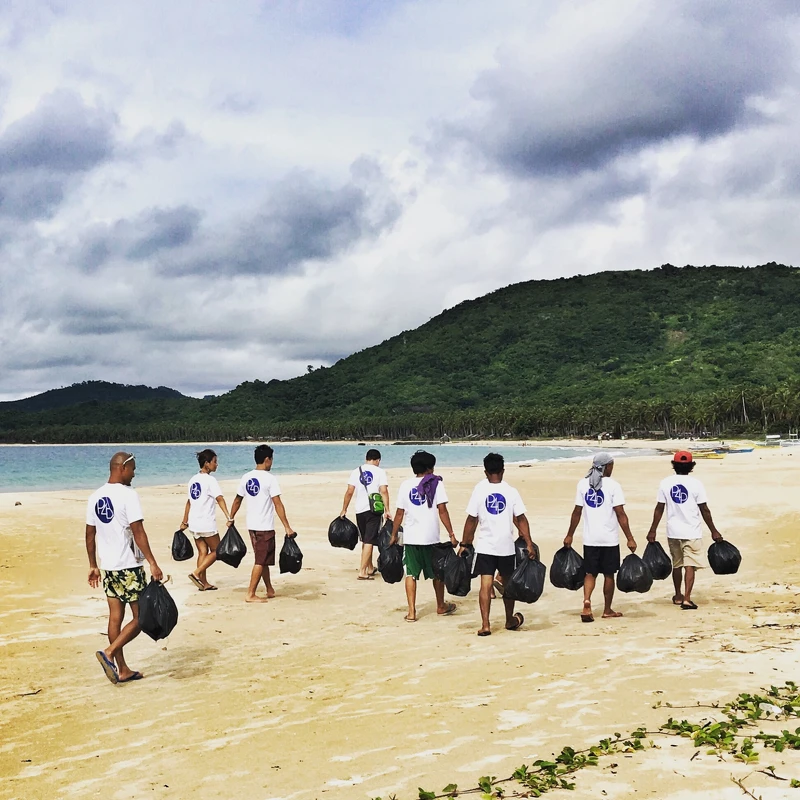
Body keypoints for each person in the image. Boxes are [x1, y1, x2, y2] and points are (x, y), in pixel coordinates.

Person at [86, 452, 163, 684]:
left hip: (108, 567)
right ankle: (109, 653)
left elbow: (90, 534)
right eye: (133, 469)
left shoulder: (95, 497)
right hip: (128, 566)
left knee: (115, 618)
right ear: (122, 468)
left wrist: (93, 564)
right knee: (141, 617)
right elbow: (138, 531)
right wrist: (152, 562)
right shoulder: (129, 495)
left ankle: (122, 669)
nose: (134, 474)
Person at [460, 453, 536, 636]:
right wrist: (529, 542)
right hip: (506, 547)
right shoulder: (511, 491)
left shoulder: (479, 491)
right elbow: (521, 519)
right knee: (508, 585)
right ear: (503, 470)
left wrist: (465, 543)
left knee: (485, 585)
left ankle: (485, 625)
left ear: (485, 472)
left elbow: (471, 520)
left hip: (486, 546)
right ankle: (509, 619)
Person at [563, 453, 636, 622]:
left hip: (590, 539)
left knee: (590, 573)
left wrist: (569, 535)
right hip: (609, 539)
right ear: (607, 466)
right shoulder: (613, 486)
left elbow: (577, 512)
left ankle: (586, 601)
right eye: (612, 466)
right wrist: (630, 537)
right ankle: (607, 609)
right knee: (609, 574)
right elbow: (620, 514)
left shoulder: (583, 484)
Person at [646, 450, 723, 610]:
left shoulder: (665, 483)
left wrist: (653, 530)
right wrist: (714, 530)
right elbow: (704, 509)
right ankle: (687, 598)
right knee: (690, 565)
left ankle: (678, 595)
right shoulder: (696, 484)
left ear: (674, 465)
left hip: (673, 531)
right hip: (692, 531)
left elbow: (659, 508)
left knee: (677, 564)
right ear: (691, 466)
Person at [389, 450, 457, 621]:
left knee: (410, 574)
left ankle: (412, 612)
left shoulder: (405, 485)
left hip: (412, 537)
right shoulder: (436, 484)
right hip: (431, 537)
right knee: (437, 573)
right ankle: (440, 606)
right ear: (429, 468)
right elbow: (442, 511)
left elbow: (399, 513)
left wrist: (393, 534)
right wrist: (451, 534)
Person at [229, 444, 297, 603]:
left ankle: (269, 589)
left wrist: (231, 517)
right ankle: (250, 594)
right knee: (260, 561)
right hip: (264, 526)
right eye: (271, 459)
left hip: (252, 526)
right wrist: (287, 526)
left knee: (263, 558)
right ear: (267, 460)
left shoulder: (246, 477)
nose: (272, 463)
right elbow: (277, 504)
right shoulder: (269, 479)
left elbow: (237, 499)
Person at [180, 449, 233, 591]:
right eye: (214, 461)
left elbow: (189, 502)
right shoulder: (210, 480)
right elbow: (219, 499)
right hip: (206, 523)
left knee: (203, 552)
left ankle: (203, 583)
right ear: (206, 463)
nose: (217, 464)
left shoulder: (193, 480)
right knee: (217, 550)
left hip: (194, 523)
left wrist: (185, 521)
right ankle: (196, 573)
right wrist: (229, 517)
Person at [340, 448, 391, 580]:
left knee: (365, 539)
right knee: (369, 540)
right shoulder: (380, 472)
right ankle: (362, 571)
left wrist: (344, 509)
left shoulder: (356, 471)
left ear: (366, 459)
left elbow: (349, 491)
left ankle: (370, 567)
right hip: (373, 509)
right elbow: (383, 491)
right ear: (378, 460)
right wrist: (387, 510)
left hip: (360, 510)